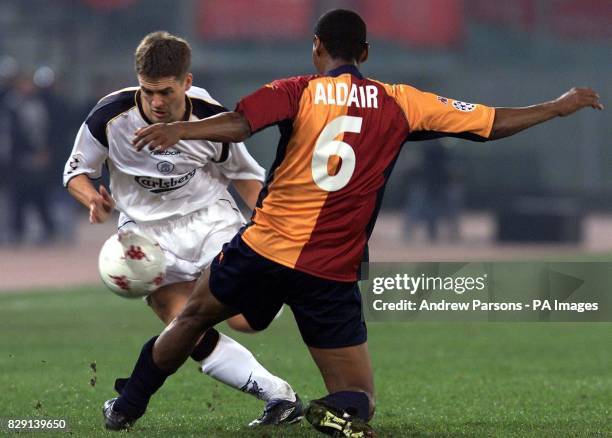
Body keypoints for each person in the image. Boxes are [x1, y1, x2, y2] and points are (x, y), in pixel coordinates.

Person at [106, 10, 604, 437]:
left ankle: (128, 406)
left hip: (263, 250)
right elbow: (491, 123)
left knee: (191, 318)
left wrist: (180, 129)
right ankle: (335, 413)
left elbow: (240, 122)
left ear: (316, 47)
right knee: (359, 398)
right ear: (364, 53)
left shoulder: (294, 90)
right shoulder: (403, 102)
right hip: (330, 272)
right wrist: (557, 107)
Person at [63, 32, 302, 428]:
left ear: (186, 83)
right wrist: (91, 198)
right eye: (147, 91)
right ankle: (277, 395)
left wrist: (275, 228)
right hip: (146, 237)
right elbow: (75, 172)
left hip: (212, 222)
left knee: (247, 322)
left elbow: (244, 176)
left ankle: (279, 286)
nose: (156, 102)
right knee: (184, 327)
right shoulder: (109, 117)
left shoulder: (211, 115)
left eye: (166, 92)